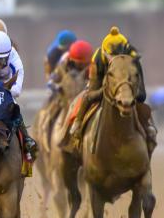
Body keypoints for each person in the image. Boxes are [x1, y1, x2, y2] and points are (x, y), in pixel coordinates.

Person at [65, 26, 155, 155]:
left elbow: (142, 94)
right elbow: (92, 92)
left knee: (143, 106)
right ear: (106, 54)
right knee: (86, 97)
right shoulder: (98, 58)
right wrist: (107, 90)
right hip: (103, 87)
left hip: (128, 90)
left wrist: (129, 92)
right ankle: (77, 125)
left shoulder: (134, 58)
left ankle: (148, 129)